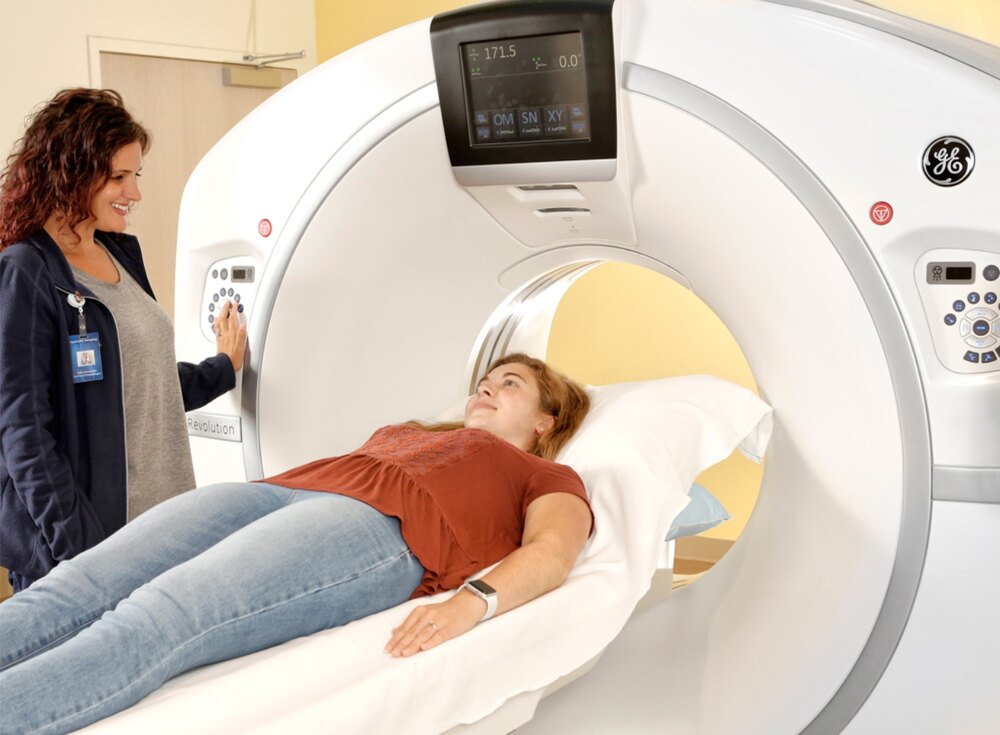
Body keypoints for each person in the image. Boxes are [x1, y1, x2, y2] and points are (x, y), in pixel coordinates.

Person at [0, 353, 593, 735]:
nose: (484, 391)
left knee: (162, 615)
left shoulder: (546, 475)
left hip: (376, 527)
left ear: (545, 419)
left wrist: (472, 602)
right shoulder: (419, 432)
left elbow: (552, 552)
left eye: (509, 385)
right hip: (278, 491)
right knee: (75, 584)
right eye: (483, 383)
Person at [0, 88, 247, 592]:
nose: (134, 193)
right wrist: (85, 560)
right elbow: (24, 435)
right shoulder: (26, 272)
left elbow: (139, 384)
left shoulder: (120, 256)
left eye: (136, 176)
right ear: (69, 172)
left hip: (166, 529)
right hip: (92, 552)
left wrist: (223, 367)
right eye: (118, 177)